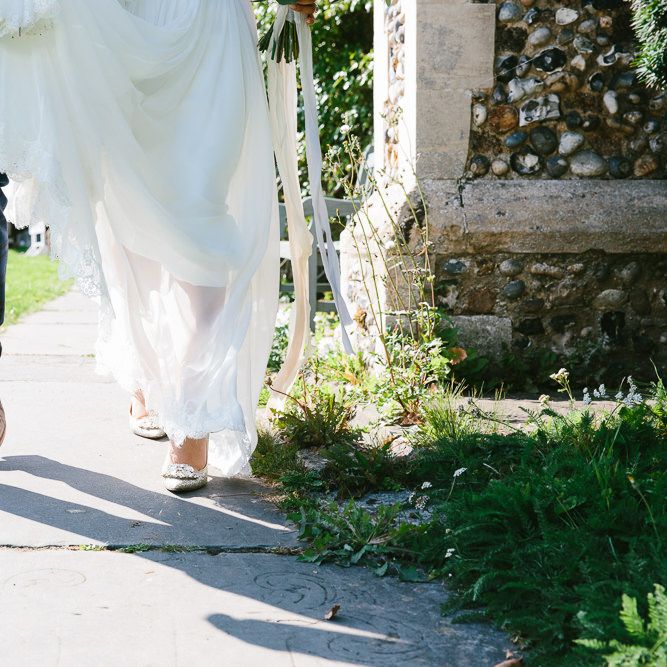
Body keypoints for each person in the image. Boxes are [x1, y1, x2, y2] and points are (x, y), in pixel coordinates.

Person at [0, 0, 319, 491]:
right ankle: (147, 371)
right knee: (132, 211)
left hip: (212, 30)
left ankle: (192, 415)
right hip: (128, 27)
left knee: (200, 212)